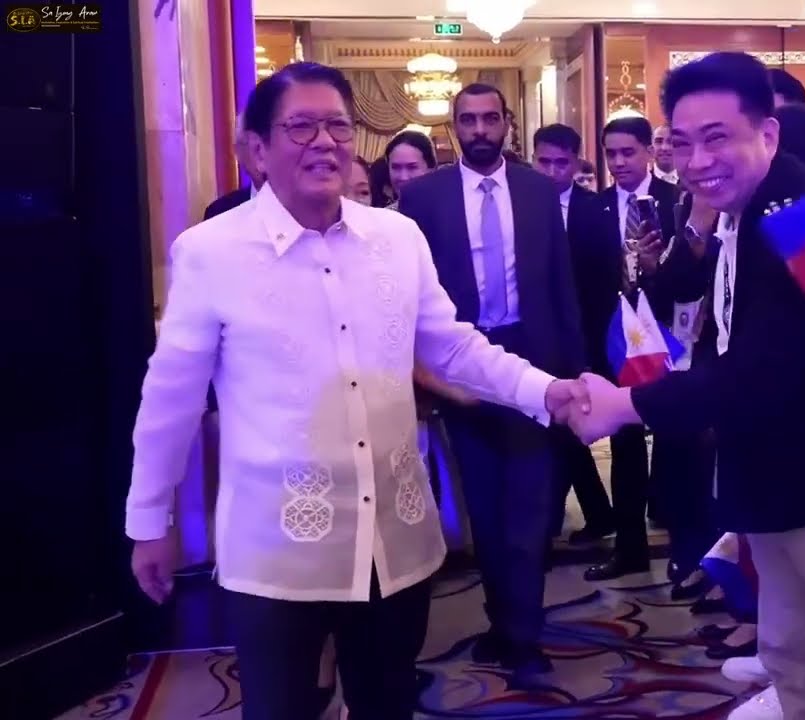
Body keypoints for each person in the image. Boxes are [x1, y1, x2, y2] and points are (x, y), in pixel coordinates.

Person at [126, 62, 586, 720]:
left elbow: (454, 347)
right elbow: (172, 397)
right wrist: (150, 520)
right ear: (256, 148)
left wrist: (547, 392)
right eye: (301, 127)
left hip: (394, 543)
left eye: (339, 126)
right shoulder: (211, 253)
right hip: (279, 553)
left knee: (387, 703)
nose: (325, 142)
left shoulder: (395, 238)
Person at [561, 51, 805, 720]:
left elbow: (773, 369)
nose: (697, 161)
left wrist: (626, 404)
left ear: (767, 134)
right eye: (683, 143)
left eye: (717, 138)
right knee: (800, 663)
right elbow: (714, 318)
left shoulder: (803, 213)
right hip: (782, 482)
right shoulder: (746, 208)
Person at [396, 83, 585, 681]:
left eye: (489, 119)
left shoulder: (538, 189)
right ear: (453, 127)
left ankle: (522, 636)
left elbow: (561, 284)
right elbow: (409, 298)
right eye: (467, 120)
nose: (479, 130)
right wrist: (422, 380)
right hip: (461, 369)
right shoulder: (422, 197)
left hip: (534, 363)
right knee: (485, 507)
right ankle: (502, 620)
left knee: (531, 507)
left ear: (507, 123)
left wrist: (574, 372)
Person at [585, 115, 680, 582]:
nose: (619, 162)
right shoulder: (592, 208)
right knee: (624, 446)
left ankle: (685, 547)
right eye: (611, 154)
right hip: (615, 339)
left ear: (648, 151)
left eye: (628, 152)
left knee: (677, 443)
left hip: (669, 337)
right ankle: (629, 548)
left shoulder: (677, 201)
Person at [530, 123, 618, 543]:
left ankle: (563, 517)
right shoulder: (521, 204)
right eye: (544, 162)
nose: (552, 172)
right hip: (534, 336)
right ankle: (579, 514)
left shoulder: (595, 210)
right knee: (551, 428)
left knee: (570, 427)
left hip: (584, 335)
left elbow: (603, 282)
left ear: (577, 163)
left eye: (561, 163)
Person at [204, 112, 266, 219]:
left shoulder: (298, 209)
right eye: (256, 147)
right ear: (238, 152)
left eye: (267, 142)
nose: (262, 154)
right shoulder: (219, 213)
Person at [384, 130, 436, 210]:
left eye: (412, 167)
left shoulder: (449, 211)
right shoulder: (383, 216)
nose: (403, 177)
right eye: (396, 167)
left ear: (431, 169)